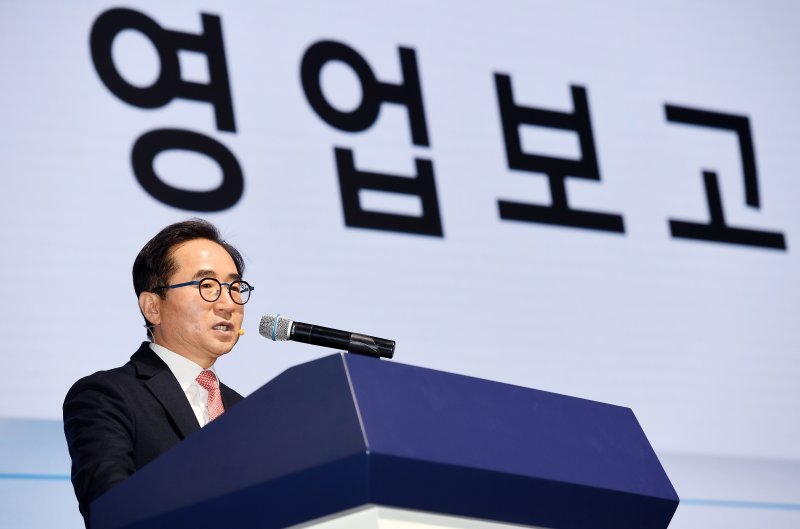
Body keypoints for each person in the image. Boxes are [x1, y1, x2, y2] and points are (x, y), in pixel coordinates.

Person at [63, 219, 253, 527]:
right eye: (207, 286)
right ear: (152, 307)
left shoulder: (247, 411)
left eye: (234, 287)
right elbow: (112, 511)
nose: (227, 303)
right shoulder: (106, 396)